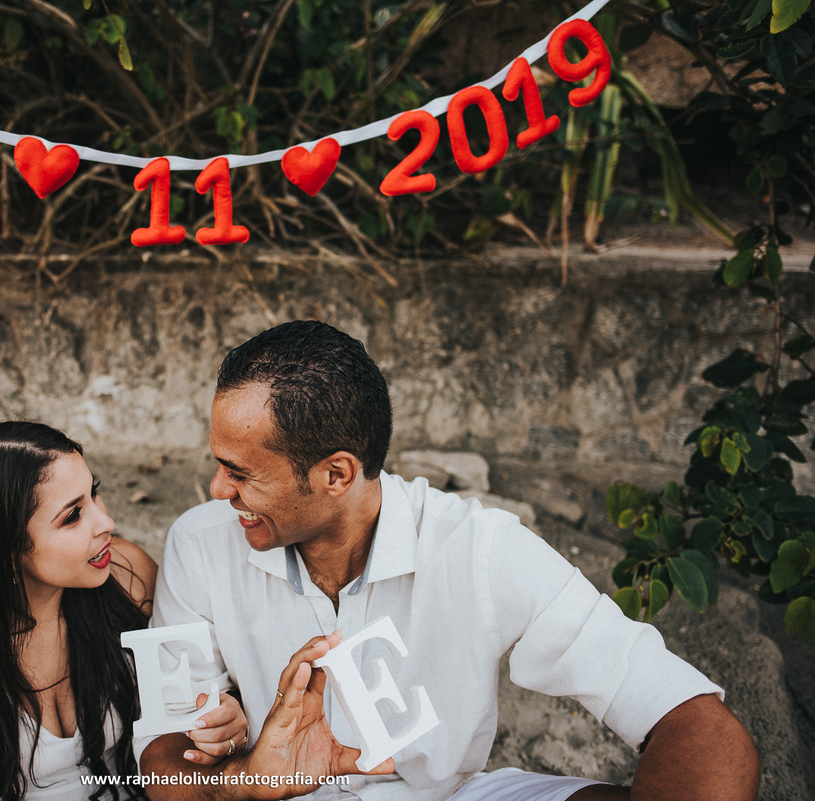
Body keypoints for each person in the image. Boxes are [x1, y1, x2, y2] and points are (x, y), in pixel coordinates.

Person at [137, 320, 760, 801]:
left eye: (241, 473)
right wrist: (246, 780)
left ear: (337, 474)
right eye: (219, 464)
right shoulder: (202, 544)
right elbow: (158, 767)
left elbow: (692, 720)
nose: (217, 489)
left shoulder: (479, 549)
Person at [0, 421, 248, 801]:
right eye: (73, 516)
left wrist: (223, 723)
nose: (107, 523)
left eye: (94, 493)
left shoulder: (128, 578)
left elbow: (194, 706)